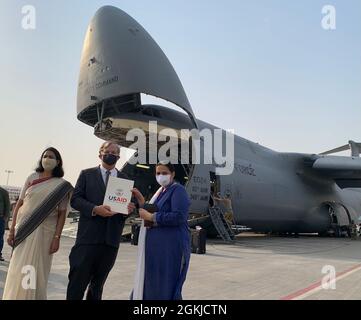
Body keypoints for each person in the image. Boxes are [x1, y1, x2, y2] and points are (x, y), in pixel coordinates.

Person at [2, 147, 73, 300]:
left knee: (37, 268)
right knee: (18, 267)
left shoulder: (61, 186)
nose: (47, 159)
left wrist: (57, 237)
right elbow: (19, 204)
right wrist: (12, 230)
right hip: (24, 230)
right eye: (45, 156)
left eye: (51, 156)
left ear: (58, 162)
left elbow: (61, 214)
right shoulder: (32, 177)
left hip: (45, 233)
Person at [66, 141, 133, 300]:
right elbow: (75, 200)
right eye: (107, 151)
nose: (111, 154)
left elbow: (126, 209)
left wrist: (129, 210)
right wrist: (95, 209)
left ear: (118, 156)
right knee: (77, 283)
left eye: (114, 152)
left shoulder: (125, 179)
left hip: (110, 241)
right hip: (87, 239)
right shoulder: (86, 174)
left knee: (97, 286)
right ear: (100, 154)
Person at [128, 161, 191, 300]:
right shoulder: (162, 192)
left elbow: (180, 216)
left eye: (164, 173)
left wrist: (152, 216)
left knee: (165, 284)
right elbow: (156, 209)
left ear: (172, 174)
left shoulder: (177, 190)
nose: (161, 176)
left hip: (170, 248)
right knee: (153, 282)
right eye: (158, 173)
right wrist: (142, 202)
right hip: (158, 249)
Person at [0, 187, 10, 261]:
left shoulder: (3, 192)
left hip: (0, 219)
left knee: (0, 237)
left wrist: (6, 217)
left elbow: (7, 205)